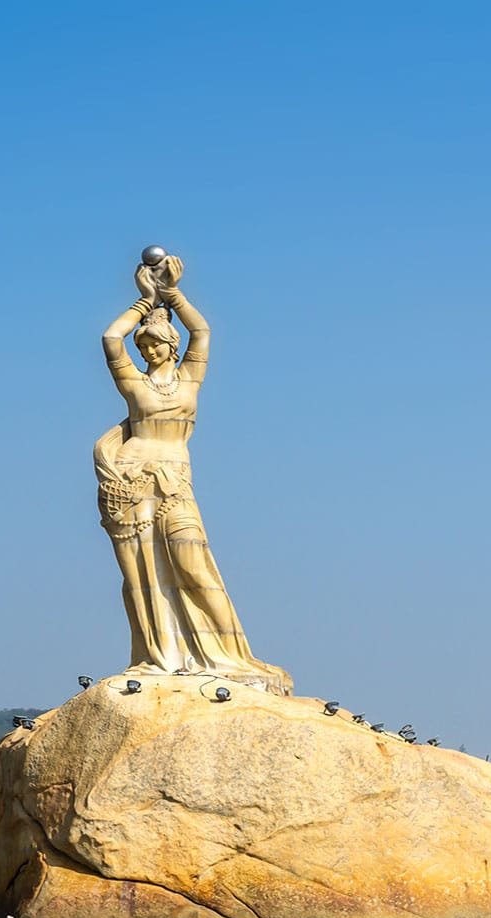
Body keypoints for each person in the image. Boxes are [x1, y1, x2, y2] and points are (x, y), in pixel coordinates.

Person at [95, 254, 290, 695]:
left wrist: (171, 295)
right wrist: (144, 304)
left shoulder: (189, 380)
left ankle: (233, 656)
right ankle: (158, 655)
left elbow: (202, 330)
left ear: (172, 345)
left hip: (175, 482)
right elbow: (111, 338)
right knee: (141, 577)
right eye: (143, 347)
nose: (147, 351)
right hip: (131, 484)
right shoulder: (135, 385)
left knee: (193, 563)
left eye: (155, 345)